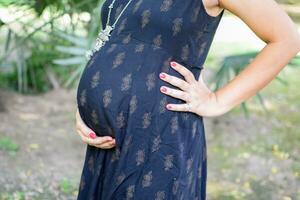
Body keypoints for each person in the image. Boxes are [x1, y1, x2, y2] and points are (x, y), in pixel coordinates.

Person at [75, 0, 300, 199]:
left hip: (157, 134)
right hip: (105, 143)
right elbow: (116, 38)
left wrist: (217, 100)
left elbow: (287, 39)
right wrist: (86, 106)